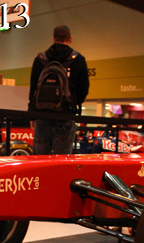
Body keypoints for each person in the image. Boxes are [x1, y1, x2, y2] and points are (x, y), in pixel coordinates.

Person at [29, 25, 89, 155]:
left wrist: (33, 114)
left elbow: (33, 89)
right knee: (61, 160)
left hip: (42, 114)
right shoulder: (78, 60)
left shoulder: (40, 59)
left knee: (39, 159)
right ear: (70, 39)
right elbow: (83, 90)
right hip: (65, 115)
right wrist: (72, 103)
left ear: (53, 39)